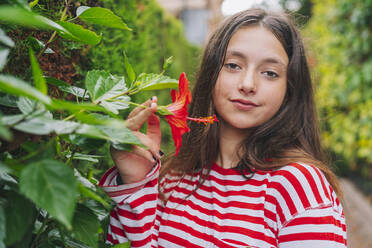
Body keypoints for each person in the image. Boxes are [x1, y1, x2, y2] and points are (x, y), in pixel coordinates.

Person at [99, 8, 347, 248]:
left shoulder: (298, 187)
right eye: (233, 65)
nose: (248, 84)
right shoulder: (172, 178)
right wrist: (135, 180)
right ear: (211, 74)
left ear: (290, 89)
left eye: (270, 73)